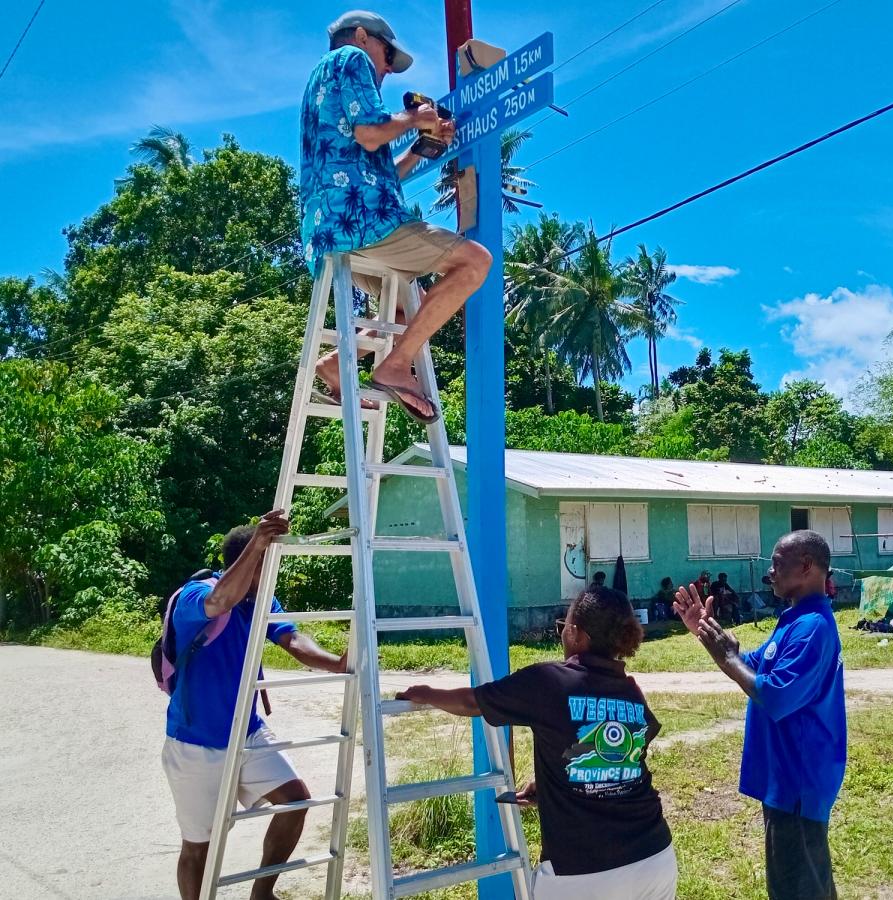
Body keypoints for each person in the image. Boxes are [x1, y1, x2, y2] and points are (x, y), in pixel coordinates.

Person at [397, 586, 677, 898]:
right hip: (654, 857)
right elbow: (628, 754)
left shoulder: (548, 682)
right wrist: (552, 786)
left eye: (563, 627)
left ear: (574, 633)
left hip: (580, 873)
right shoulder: (630, 691)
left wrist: (425, 694)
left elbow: (473, 702)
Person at [300, 11, 494, 424]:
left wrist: (422, 146)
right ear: (359, 36)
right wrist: (417, 119)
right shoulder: (350, 60)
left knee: (413, 308)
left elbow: (375, 165)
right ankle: (394, 366)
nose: (387, 68)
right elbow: (371, 133)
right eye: (387, 54)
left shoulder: (320, 88)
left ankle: (336, 364)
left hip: (334, 231)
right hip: (364, 222)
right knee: (475, 262)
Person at [162, 510, 348, 900]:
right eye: (269, 561)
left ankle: (262, 894)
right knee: (200, 847)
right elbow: (219, 601)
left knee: (295, 801)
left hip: (247, 733)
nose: (274, 572)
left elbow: (293, 640)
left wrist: (337, 663)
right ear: (248, 558)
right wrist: (258, 542)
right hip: (196, 743)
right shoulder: (196, 595)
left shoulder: (264, 600)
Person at [674, 531, 846, 900]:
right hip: (787, 776)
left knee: (797, 887)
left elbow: (775, 694)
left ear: (805, 566)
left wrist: (729, 657)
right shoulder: (795, 619)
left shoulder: (811, 627)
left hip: (797, 779)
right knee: (806, 881)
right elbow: (756, 667)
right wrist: (709, 635)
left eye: (778, 564)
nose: (771, 573)